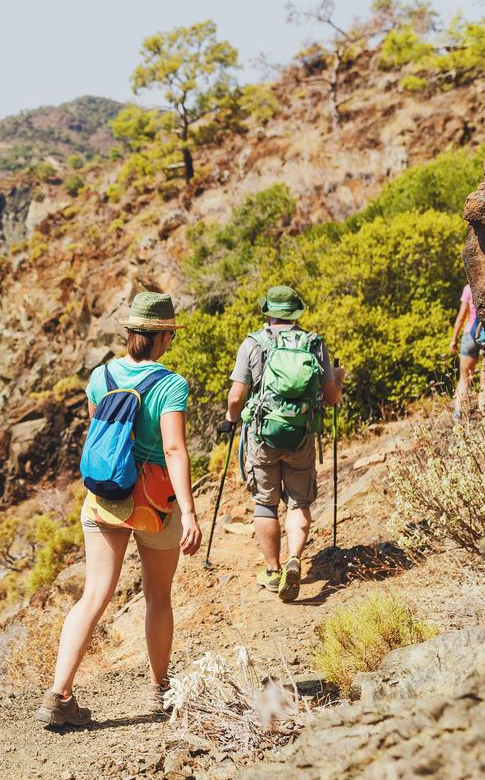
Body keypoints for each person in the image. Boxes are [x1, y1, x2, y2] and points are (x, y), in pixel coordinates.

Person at [36, 292, 202, 727]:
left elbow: (100, 430)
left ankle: (59, 694)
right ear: (165, 336)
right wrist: (191, 510)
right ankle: (159, 690)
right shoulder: (171, 384)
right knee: (158, 598)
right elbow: (173, 448)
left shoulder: (101, 374)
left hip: (106, 496)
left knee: (92, 596)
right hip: (155, 504)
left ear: (131, 334)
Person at [218, 285, 343, 602]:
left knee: (265, 503)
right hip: (301, 434)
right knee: (299, 502)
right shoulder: (314, 344)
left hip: (262, 435)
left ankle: (273, 571)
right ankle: (294, 559)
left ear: (268, 311)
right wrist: (338, 378)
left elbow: (236, 396)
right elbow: (331, 397)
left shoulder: (253, 344)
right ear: (297, 312)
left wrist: (232, 421)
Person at [449, 283, 485, 420]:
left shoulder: (468, 288)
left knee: (464, 377)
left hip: (470, 333)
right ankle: (484, 412)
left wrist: (454, 339)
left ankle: (458, 414)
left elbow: (462, 316)